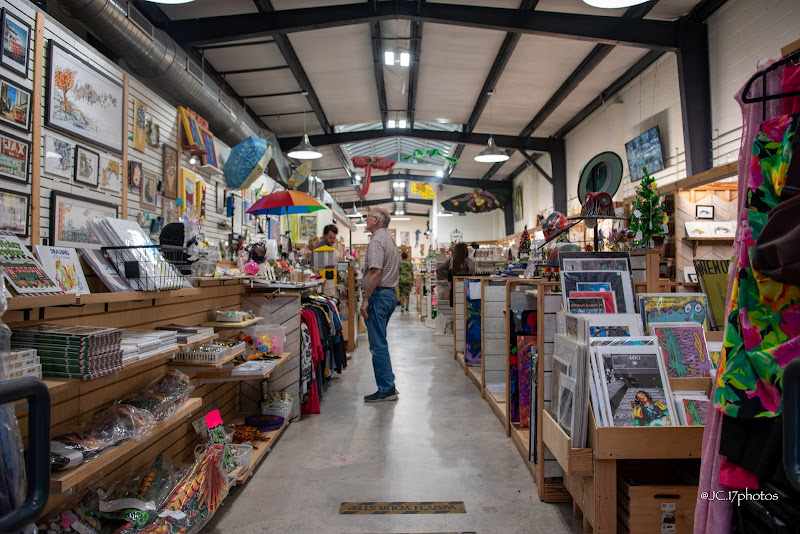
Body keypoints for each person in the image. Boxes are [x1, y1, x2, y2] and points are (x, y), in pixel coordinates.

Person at [360, 207, 400, 402]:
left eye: (368, 217)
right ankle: (389, 383)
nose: (365, 219)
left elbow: (375, 272)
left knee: (378, 344)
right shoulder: (389, 239)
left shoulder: (376, 240)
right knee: (380, 341)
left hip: (379, 295)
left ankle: (386, 388)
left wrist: (366, 298)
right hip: (389, 295)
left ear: (376, 220)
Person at [436, 242, 476, 307]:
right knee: (466, 307)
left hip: (454, 287)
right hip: (466, 287)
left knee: (456, 308)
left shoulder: (451, 260)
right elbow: (472, 269)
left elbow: (439, 270)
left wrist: (447, 281)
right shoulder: (468, 260)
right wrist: (472, 276)